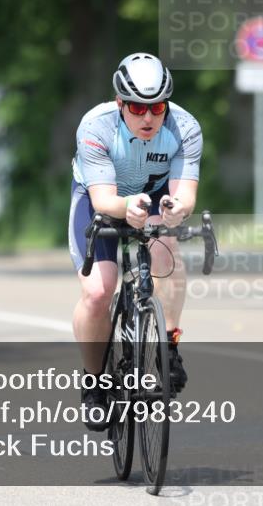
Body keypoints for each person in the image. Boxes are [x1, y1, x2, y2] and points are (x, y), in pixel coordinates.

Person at [69, 52, 202, 431]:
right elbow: (104, 200)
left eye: (157, 107)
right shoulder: (96, 126)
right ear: (119, 103)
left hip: (154, 195)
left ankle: (169, 347)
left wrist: (177, 210)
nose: (148, 117)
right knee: (98, 291)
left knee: (168, 248)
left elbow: (185, 195)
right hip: (102, 198)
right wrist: (127, 206)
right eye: (137, 107)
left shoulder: (185, 127)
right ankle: (94, 383)